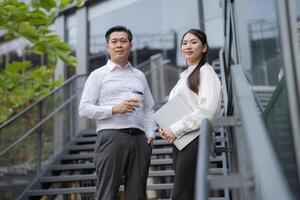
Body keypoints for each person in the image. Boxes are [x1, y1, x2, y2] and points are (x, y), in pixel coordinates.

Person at [79, 25, 155, 200]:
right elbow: (84, 108)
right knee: (107, 194)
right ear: (107, 46)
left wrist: (150, 133)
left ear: (130, 45)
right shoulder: (98, 75)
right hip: (111, 137)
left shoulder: (139, 75)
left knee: (137, 194)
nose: (119, 45)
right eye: (114, 41)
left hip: (139, 139)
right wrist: (114, 109)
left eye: (123, 41)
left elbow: (149, 107)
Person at [159, 29, 221, 199]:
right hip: (182, 140)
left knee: (182, 193)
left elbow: (207, 110)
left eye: (193, 42)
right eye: (185, 43)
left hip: (195, 138)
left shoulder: (206, 73)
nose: (188, 46)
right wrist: (167, 128)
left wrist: (176, 128)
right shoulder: (184, 77)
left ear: (204, 47)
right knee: (188, 192)